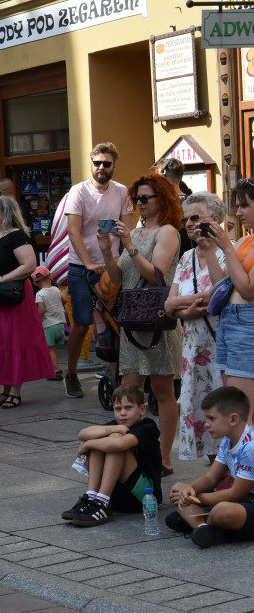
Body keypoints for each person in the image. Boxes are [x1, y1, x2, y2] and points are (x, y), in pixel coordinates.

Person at [99, 174, 183, 475]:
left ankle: (163, 457)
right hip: (133, 320)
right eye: (137, 199)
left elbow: (155, 275)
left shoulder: (168, 232)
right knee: (128, 391)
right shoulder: (135, 231)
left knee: (162, 391)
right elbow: (120, 278)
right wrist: (109, 251)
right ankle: (130, 451)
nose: (139, 203)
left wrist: (130, 245)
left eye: (145, 198)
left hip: (157, 320)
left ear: (162, 199)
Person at [62, 142, 133, 398]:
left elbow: (127, 231)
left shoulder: (122, 192)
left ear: (114, 165)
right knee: (82, 322)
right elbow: (73, 231)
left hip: (112, 266)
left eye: (106, 163)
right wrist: (89, 262)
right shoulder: (78, 191)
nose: (101, 168)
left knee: (116, 322)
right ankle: (70, 373)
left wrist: (126, 259)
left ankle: (117, 373)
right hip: (82, 267)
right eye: (97, 163)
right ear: (91, 164)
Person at [164, 192, 227, 463]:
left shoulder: (229, 251)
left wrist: (183, 304)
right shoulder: (186, 257)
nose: (189, 224)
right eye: (186, 219)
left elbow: (220, 293)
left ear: (214, 219)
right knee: (202, 412)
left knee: (224, 412)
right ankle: (215, 476)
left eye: (195, 218)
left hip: (221, 349)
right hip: (192, 352)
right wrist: (194, 304)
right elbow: (169, 306)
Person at [0, 197, 52, 408]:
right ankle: (5, 389)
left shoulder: (17, 236)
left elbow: (29, 265)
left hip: (13, 295)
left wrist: (2, 278)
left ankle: (15, 391)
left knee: (14, 341)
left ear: (5, 213)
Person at [62, 384, 162, 527]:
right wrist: (113, 429)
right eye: (118, 409)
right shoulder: (115, 425)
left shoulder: (148, 427)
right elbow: (82, 433)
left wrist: (88, 444)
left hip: (145, 499)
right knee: (105, 439)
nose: (122, 413)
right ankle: (92, 497)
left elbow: (120, 445)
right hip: (117, 499)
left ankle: (102, 502)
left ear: (142, 409)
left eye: (128, 408)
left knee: (112, 441)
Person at [167, 387, 254, 548]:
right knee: (178, 489)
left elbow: (237, 493)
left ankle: (201, 521)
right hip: (240, 502)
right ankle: (203, 528)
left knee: (222, 511)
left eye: (211, 418)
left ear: (233, 419)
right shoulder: (228, 439)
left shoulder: (250, 447)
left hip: (245, 502)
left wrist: (196, 499)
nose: (206, 424)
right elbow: (211, 478)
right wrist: (190, 489)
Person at [204, 178, 254, 425]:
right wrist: (210, 249)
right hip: (230, 323)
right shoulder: (246, 240)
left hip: (247, 326)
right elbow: (220, 287)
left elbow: (247, 289)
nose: (239, 212)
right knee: (232, 407)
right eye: (237, 206)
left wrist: (227, 248)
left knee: (241, 413)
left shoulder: (240, 244)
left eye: (245, 205)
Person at [32, 266, 69, 381]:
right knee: (54, 349)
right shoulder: (56, 290)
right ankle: (54, 367)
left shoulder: (40, 294)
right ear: (50, 277)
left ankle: (55, 371)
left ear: (35, 283)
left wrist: (36, 321)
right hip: (60, 324)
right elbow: (64, 301)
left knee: (50, 350)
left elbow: (41, 310)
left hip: (49, 325)